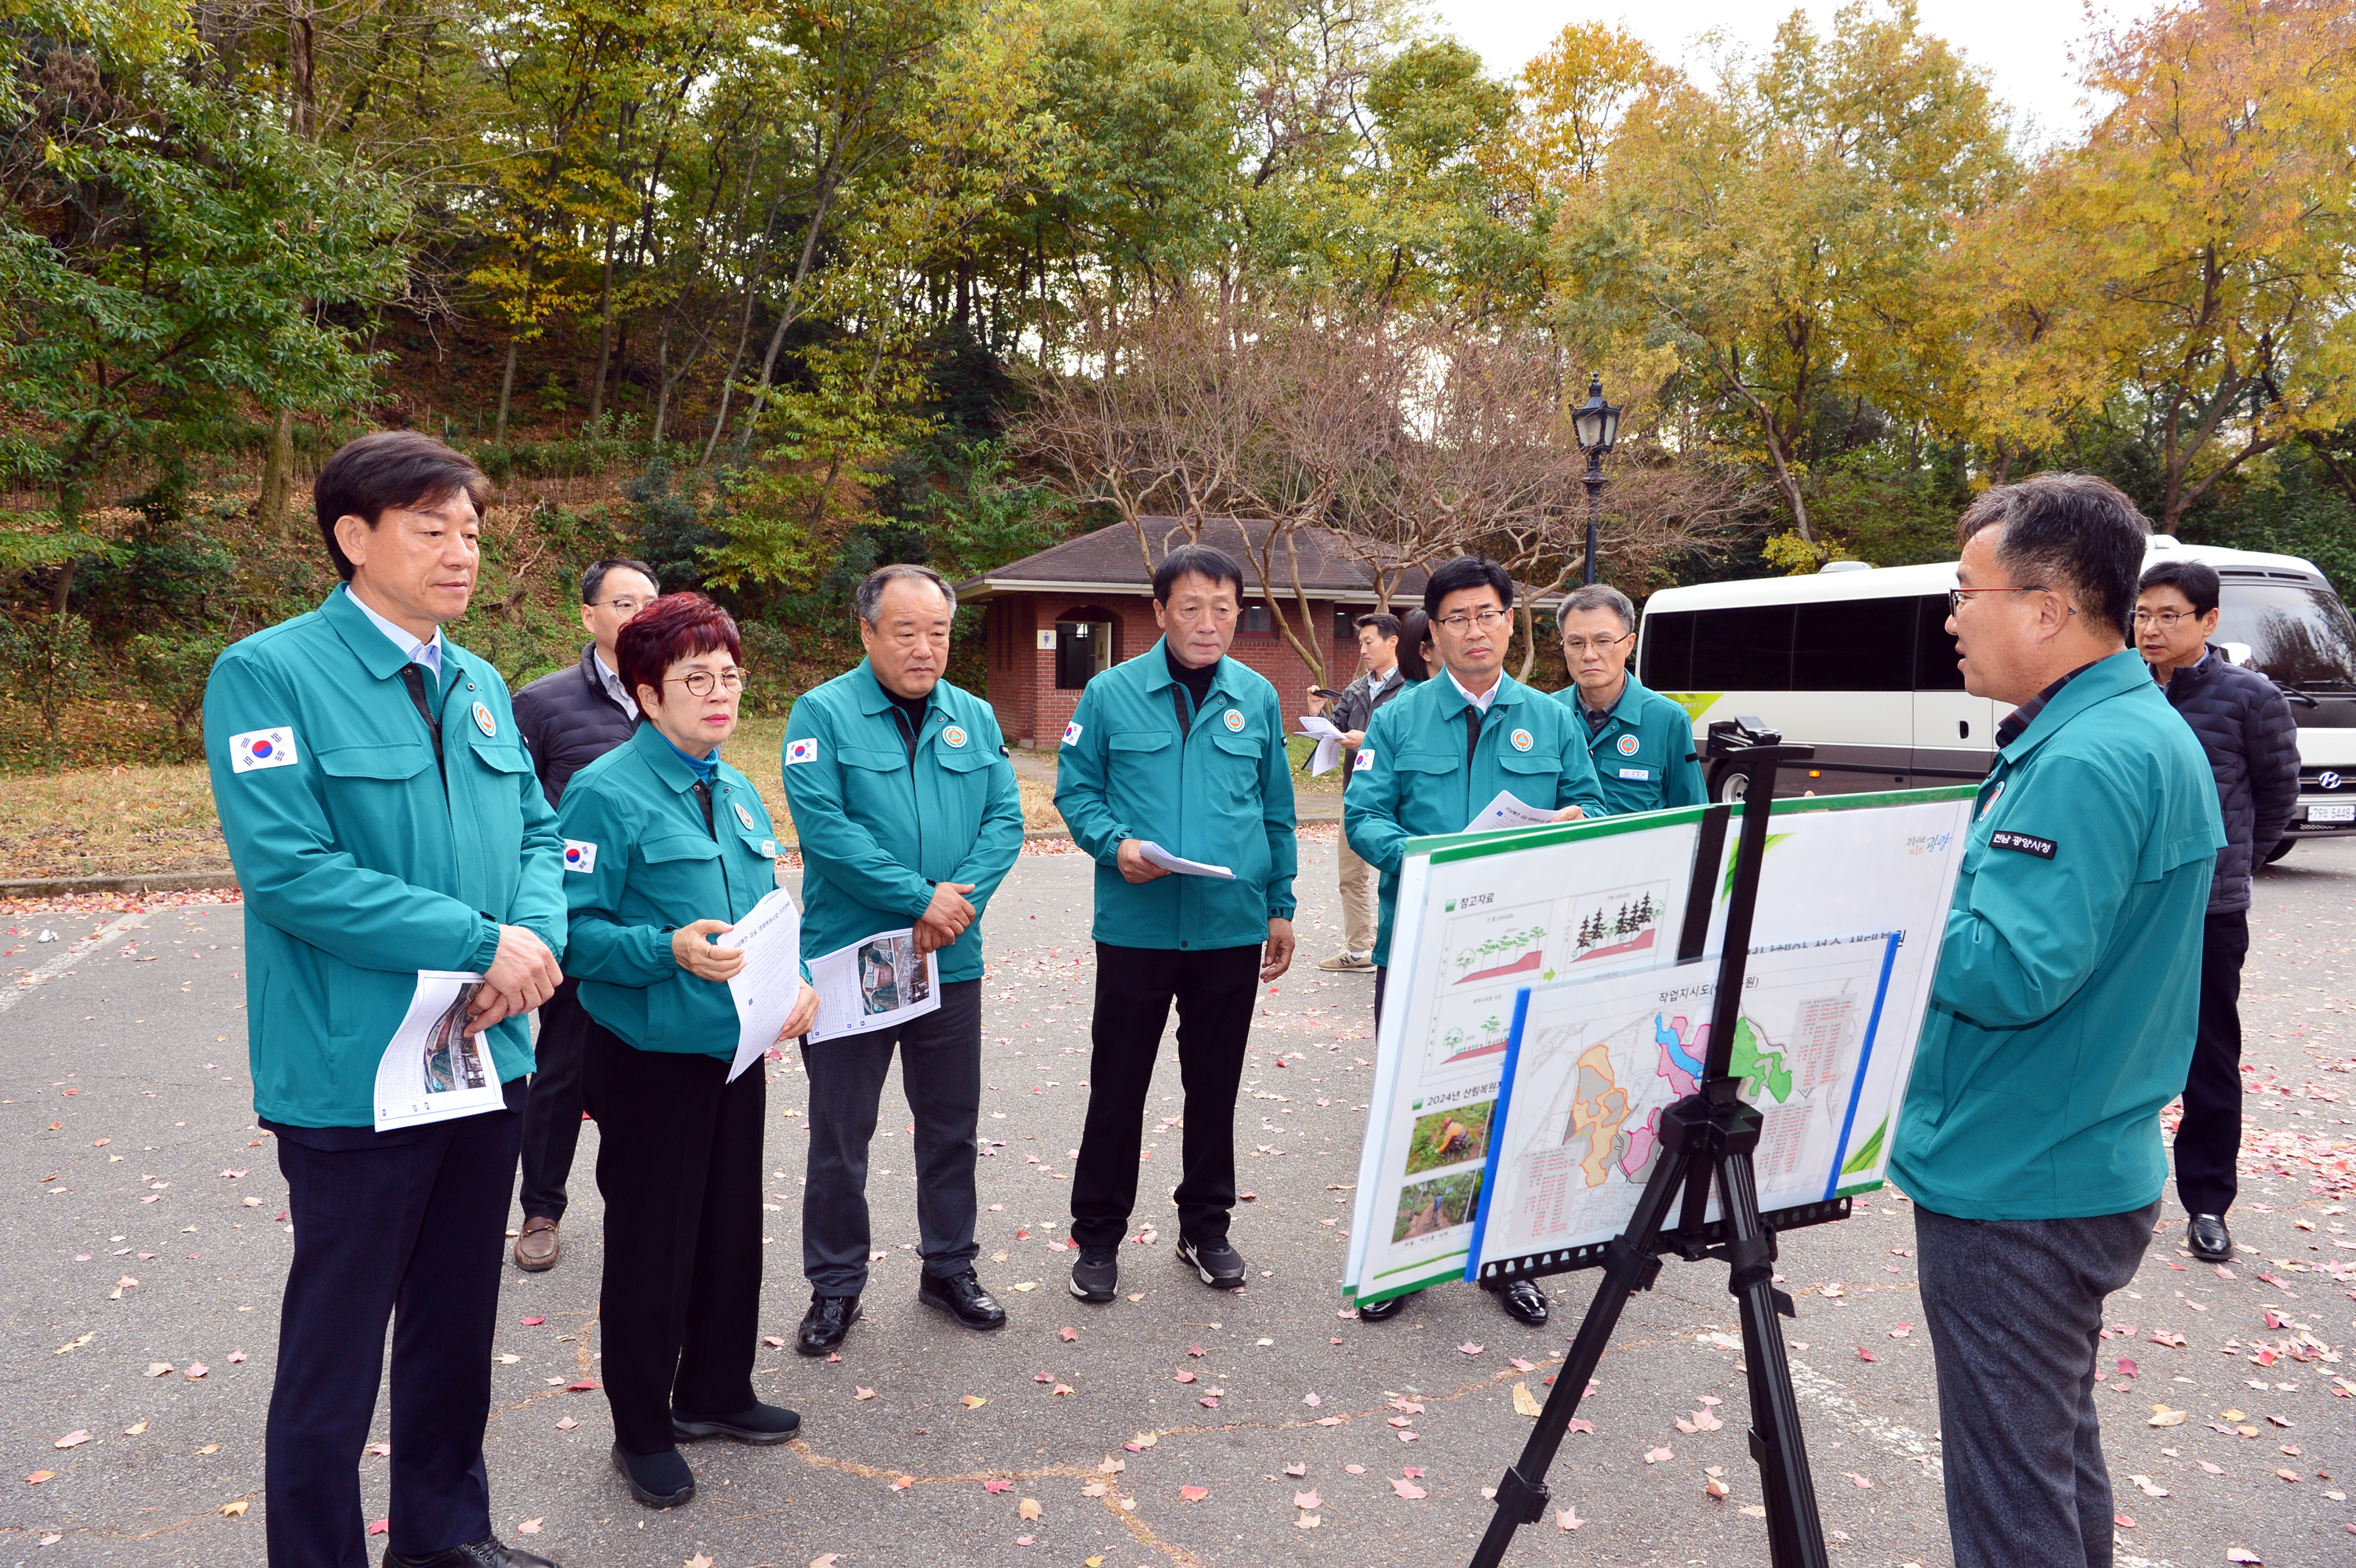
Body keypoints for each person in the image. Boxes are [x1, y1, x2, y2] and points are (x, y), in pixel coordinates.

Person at [203, 430, 568, 1568]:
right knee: (337, 1346)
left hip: (482, 1058)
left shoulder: (482, 681)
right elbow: (289, 870)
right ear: (354, 538)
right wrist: (479, 939)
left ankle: (444, 1538)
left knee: (456, 1329)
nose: (462, 551)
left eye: (469, 529)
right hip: (353, 1069)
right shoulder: (267, 674)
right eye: (431, 528)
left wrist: (534, 944)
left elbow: (539, 836)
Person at [1891, 473, 2223, 1568]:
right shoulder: (2134, 728)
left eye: (1965, 592)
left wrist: (1892, 891)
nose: (1951, 617)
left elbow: (2011, 972)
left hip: (2017, 1182)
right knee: (2054, 1459)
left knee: (2011, 1507)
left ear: (2045, 609)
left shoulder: (2086, 756)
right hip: (2082, 1155)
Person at [556, 593, 820, 1510]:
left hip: (733, 1054)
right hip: (648, 1059)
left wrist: (795, 985)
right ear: (644, 693)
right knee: (650, 1245)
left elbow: (767, 912)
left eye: (730, 678)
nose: (719, 696)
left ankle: (713, 1389)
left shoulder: (737, 785)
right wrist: (663, 949)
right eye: (694, 680)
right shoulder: (603, 794)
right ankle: (641, 1428)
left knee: (725, 1233)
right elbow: (571, 935)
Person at [1342, 556, 1606, 1328]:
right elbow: (1364, 818)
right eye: (1456, 618)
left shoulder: (1550, 718)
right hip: (1422, 940)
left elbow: (1587, 807)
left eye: (1487, 613)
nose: (1474, 629)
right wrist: (1428, 861)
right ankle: (1407, 1260)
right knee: (1417, 1105)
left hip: (1525, 948)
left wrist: (1571, 825)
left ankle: (1504, 1261)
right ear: (1434, 633)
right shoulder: (1396, 719)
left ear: (1508, 620)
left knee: (1517, 1103)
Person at [779, 564, 1026, 1353]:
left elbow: (1004, 820)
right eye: (906, 631)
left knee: (950, 1126)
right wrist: (919, 897)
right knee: (840, 1135)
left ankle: (948, 1266)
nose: (925, 648)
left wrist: (959, 901)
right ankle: (835, 1286)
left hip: (950, 957)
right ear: (867, 632)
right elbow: (825, 831)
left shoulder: (975, 717)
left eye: (939, 632)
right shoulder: (820, 713)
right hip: (854, 958)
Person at [1056, 543, 1299, 1301]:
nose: (1207, 622)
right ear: (1158, 611)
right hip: (1137, 927)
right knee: (1117, 1086)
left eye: (1222, 608)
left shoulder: (1256, 697)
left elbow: (1275, 809)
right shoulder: (1107, 693)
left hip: (1229, 927)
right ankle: (1096, 1239)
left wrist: (1281, 904)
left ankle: (1205, 1228)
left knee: (1214, 1086)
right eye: (1190, 607)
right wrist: (1114, 844)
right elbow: (1076, 791)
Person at [2134, 558, 2299, 1263]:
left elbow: (2277, 798)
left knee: (2209, 1057)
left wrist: (2228, 867)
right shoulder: (2120, 693)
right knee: (2114, 1047)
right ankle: (2114, 1190)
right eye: (2142, 614)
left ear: (2208, 621)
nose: (2151, 629)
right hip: (2126, 909)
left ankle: (2207, 1202)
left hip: (2208, 914)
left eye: (2169, 616)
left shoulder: (2250, 697)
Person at [508, 557, 661, 1274]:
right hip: (577, 922)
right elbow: (518, 817)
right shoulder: (541, 703)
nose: (637, 614)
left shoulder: (673, 693)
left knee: (646, 1070)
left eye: (648, 601)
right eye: (622, 602)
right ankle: (540, 1210)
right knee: (562, 1071)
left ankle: (646, 1208)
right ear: (588, 615)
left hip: (657, 928)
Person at [1307, 612, 1410, 972]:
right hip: (1357, 795)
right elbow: (1334, 735)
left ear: (1392, 641)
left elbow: (1414, 743)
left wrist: (1369, 742)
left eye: (1369, 641)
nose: (1363, 649)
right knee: (1350, 875)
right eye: (1361, 642)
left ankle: (1401, 942)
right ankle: (1357, 951)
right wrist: (1317, 714)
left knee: (1400, 872)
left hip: (1401, 795)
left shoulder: (1413, 688)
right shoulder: (1354, 690)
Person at [1551, 583, 1707, 813]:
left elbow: (1693, 815)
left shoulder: (1668, 720)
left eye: (1603, 641)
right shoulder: (1547, 714)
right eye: (1576, 643)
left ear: (1629, 644)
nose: (1589, 655)